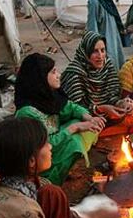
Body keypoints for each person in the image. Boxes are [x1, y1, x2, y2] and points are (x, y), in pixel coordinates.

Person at [15, 53, 106, 185]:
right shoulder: (27, 113)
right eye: (53, 72)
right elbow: (44, 144)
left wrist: (89, 118)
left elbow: (71, 107)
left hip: (55, 143)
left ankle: (68, 167)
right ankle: (53, 179)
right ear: (39, 78)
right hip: (41, 159)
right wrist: (75, 128)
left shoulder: (48, 97)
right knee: (74, 141)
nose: (59, 75)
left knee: (84, 124)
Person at [86, 0, 125, 70]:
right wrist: (98, 54)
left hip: (115, 46)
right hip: (106, 51)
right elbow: (92, 32)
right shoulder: (94, 2)